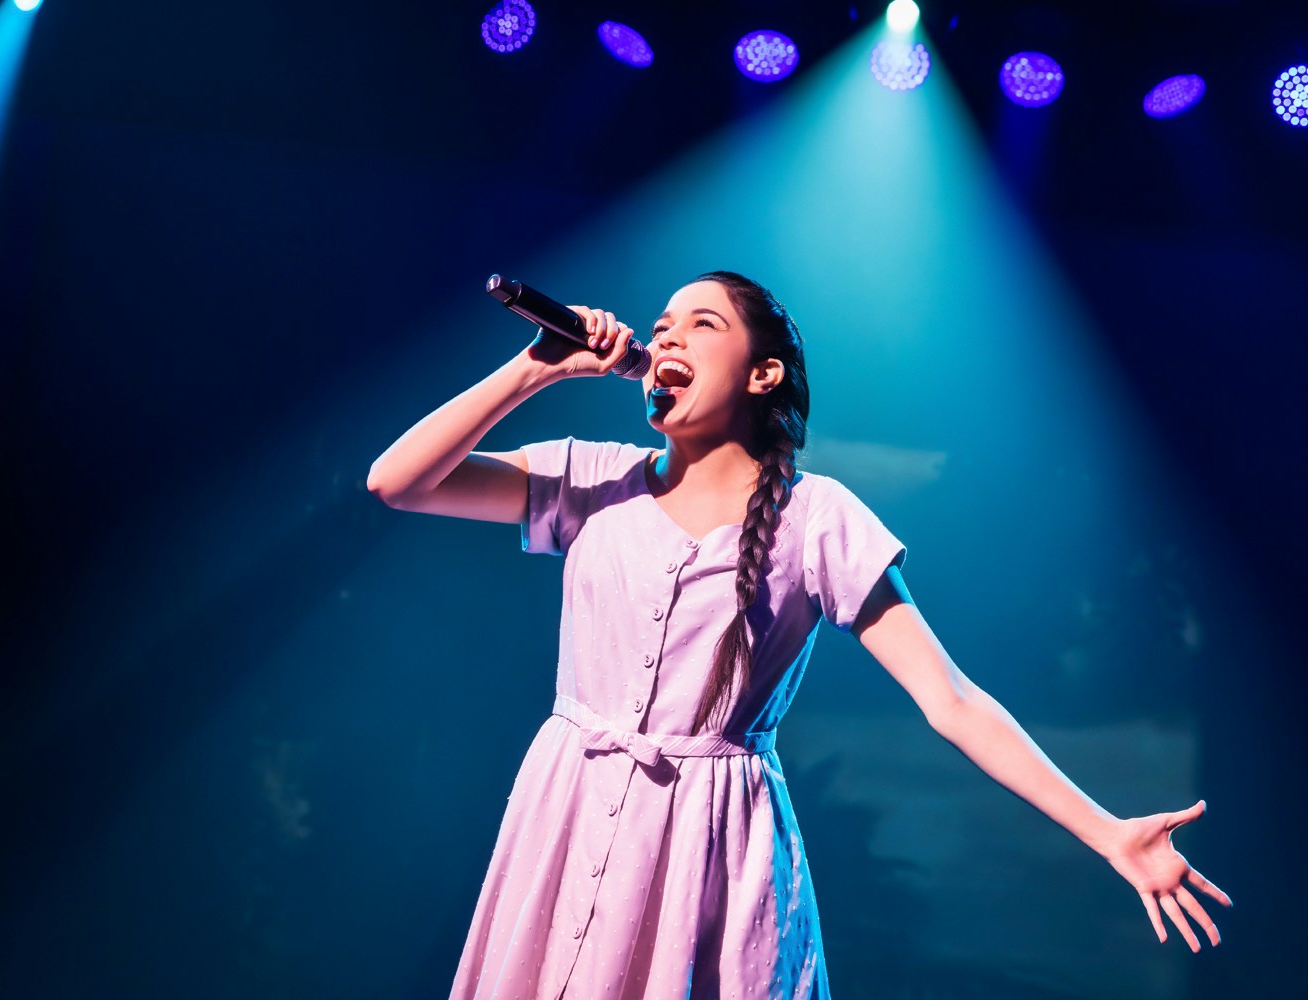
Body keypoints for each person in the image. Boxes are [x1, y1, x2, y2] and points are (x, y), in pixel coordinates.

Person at [367, 272, 1230, 998]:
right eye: (660, 326)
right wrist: (535, 371)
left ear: (762, 373)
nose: (666, 336)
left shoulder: (820, 520)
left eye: (701, 325)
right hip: (568, 811)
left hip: (708, 848)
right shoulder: (592, 476)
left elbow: (953, 701)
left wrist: (1107, 831)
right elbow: (397, 481)